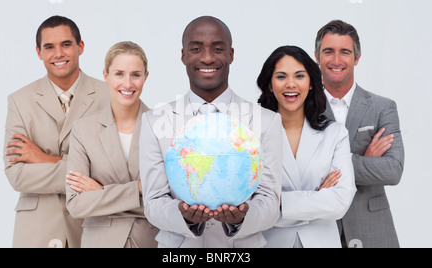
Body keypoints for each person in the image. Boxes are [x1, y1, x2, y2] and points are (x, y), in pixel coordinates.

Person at [139, 16, 283, 248]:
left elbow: (269, 202)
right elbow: (153, 202)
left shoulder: (266, 122)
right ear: (184, 56)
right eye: (196, 49)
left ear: (231, 55)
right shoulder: (154, 121)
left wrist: (243, 217)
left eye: (217, 49)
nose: (207, 57)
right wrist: (183, 215)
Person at [3, 15, 110, 248]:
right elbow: (17, 175)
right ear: (39, 52)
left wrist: (43, 159)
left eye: (66, 44)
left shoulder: (109, 96)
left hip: (93, 226)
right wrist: (84, 172)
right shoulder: (20, 101)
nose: (58, 54)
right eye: (49, 47)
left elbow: (117, 169)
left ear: (80, 47)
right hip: (37, 230)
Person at [315, 20, 405, 248]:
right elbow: (298, 172)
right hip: (319, 229)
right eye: (328, 52)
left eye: (344, 52)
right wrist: (365, 159)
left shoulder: (382, 107)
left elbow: (393, 170)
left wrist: (329, 163)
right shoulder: (303, 108)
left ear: (356, 58)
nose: (336, 60)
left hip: (373, 229)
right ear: (317, 57)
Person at [257, 45, 356, 248]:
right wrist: (318, 196)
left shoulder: (335, 134)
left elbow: (340, 202)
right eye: (281, 77)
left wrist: (279, 201)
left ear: (311, 83)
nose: (291, 84)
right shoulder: (251, 137)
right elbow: (250, 207)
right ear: (269, 84)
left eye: (299, 76)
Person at [65, 41, 159, 248]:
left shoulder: (163, 128)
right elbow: (76, 205)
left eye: (136, 74)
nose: (128, 83)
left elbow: (167, 205)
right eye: (119, 74)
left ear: (146, 77)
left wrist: (101, 192)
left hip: (149, 242)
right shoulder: (83, 129)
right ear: (106, 75)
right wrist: (139, 189)